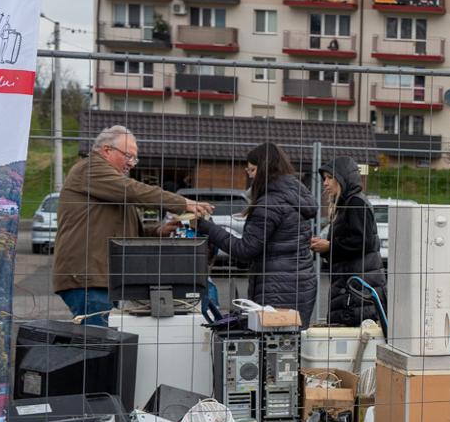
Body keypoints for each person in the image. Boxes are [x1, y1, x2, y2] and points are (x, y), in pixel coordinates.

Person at [53, 126, 213, 326]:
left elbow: (120, 225)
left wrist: (157, 230)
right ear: (106, 150)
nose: (131, 163)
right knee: (99, 344)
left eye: (134, 158)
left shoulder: (110, 183)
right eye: (128, 155)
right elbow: (135, 191)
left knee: (106, 342)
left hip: (101, 277)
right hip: (88, 277)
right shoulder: (91, 169)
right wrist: (182, 203)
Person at [200, 142, 319, 323]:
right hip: (301, 284)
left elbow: (245, 250)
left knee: (273, 346)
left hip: (277, 289)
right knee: (292, 343)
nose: (250, 176)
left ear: (266, 169)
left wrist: (207, 227)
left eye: (253, 170)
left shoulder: (269, 203)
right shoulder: (294, 195)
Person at [310, 157, 386, 327]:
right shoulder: (346, 203)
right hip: (351, 285)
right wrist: (326, 247)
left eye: (330, 178)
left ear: (343, 178)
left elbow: (362, 241)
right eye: (324, 178)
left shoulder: (355, 202)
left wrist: (330, 246)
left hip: (357, 289)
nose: (325, 183)